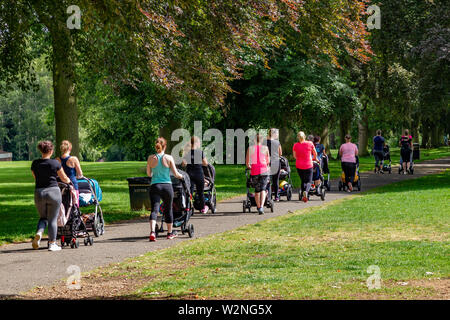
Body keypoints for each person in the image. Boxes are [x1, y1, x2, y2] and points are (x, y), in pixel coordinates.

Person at [31, 141, 71, 251]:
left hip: (39, 192)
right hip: (53, 192)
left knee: (43, 218)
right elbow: (64, 178)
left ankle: (39, 232)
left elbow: (35, 177)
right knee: (53, 219)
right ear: (51, 151)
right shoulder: (55, 163)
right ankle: (52, 243)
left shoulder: (35, 163)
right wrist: (69, 181)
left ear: (41, 150)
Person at [147, 137, 184, 241]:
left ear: (156, 146)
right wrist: (182, 177)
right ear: (165, 146)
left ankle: (153, 232)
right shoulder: (168, 158)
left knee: (154, 209)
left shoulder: (150, 158)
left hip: (155, 186)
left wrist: (155, 173)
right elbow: (176, 174)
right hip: (167, 186)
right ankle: (169, 233)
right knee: (168, 209)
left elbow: (149, 174)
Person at [182, 136, 209, 214]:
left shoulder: (187, 152)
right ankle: (202, 208)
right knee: (200, 192)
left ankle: (189, 207)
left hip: (189, 174)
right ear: (197, 143)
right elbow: (206, 163)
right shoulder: (200, 152)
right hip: (199, 174)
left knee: (189, 192)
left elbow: (184, 164)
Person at [246, 133, 270, 214]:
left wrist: (250, 166)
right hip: (264, 170)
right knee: (263, 189)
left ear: (254, 140)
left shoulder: (250, 148)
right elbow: (268, 161)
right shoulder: (265, 148)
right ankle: (261, 207)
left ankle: (258, 206)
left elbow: (247, 163)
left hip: (255, 171)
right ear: (262, 140)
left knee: (257, 190)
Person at [293, 131, 318, 202]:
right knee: (309, 181)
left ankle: (304, 196)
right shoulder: (310, 143)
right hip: (308, 164)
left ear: (298, 137)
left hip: (299, 165)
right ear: (305, 136)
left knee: (303, 181)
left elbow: (295, 156)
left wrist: (300, 158)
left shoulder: (295, 145)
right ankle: (306, 192)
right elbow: (315, 153)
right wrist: (314, 158)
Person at [56, 140, 83, 206]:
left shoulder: (57, 160)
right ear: (70, 148)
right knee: (74, 206)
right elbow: (80, 174)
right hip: (72, 185)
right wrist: (76, 177)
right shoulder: (74, 159)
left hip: (60, 185)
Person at [265, 128, 283, 202]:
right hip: (276, 162)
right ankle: (276, 196)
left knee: (268, 180)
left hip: (268, 162)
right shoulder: (277, 142)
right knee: (276, 180)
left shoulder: (265, 142)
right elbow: (280, 153)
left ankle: (268, 197)